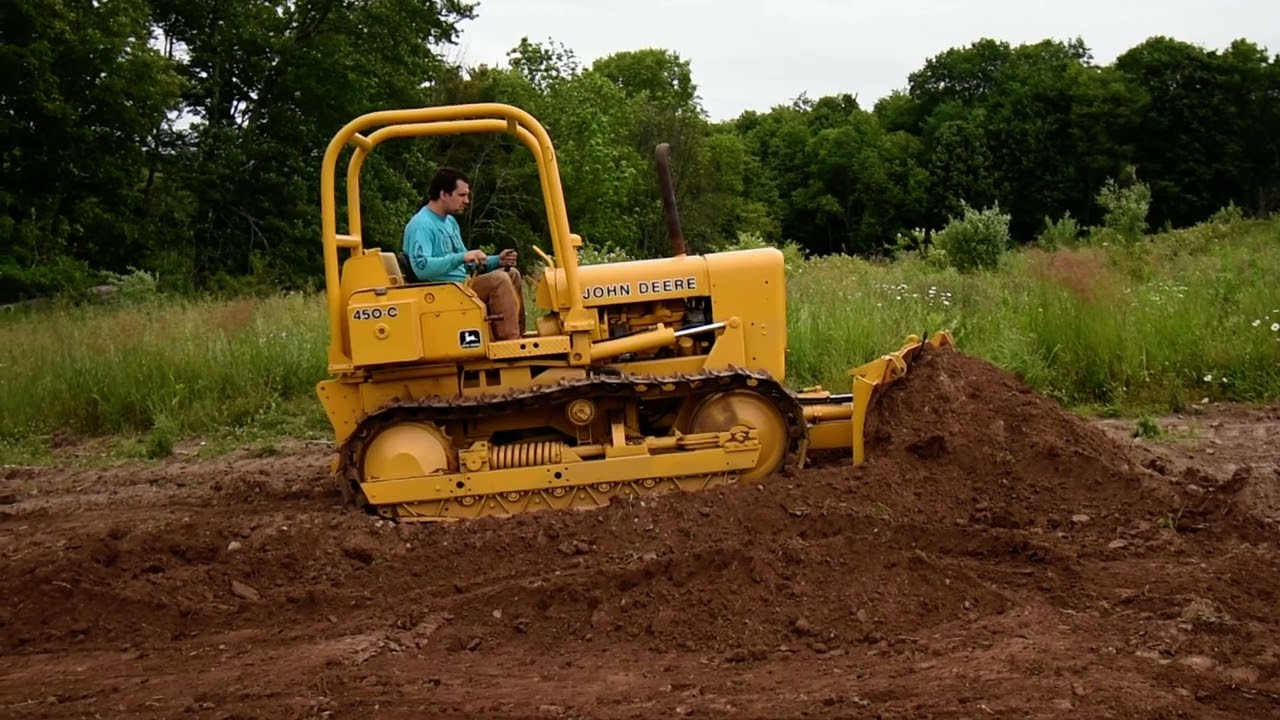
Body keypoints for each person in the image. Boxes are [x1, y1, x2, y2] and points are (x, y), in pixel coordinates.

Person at [402, 168, 525, 341]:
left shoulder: (450, 222)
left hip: (461, 285)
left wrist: (498, 260)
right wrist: (460, 257)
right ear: (444, 194)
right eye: (462, 195)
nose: (466, 201)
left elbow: (468, 262)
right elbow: (422, 268)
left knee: (511, 274)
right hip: (443, 291)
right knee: (499, 280)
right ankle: (510, 342)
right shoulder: (421, 225)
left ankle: (520, 333)